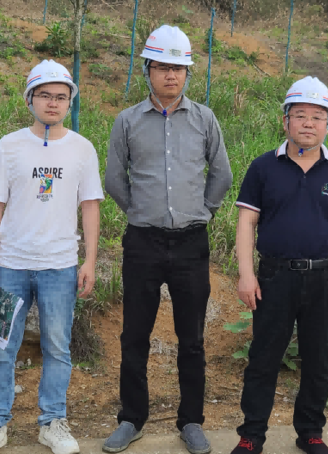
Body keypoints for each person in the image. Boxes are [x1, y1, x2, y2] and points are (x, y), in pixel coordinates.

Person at [103, 25, 232, 454]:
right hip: (143, 242)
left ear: (188, 73)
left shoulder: (204, 119)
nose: (171, 75)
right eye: (162, 67)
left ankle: (191, 421)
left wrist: (204, 213)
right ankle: (131, 419)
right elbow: (114, 179)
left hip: (192, 244)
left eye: (178, 68)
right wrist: (140, 213)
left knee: (191, 338)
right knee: (134, 335)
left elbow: (222, 174)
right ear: (147, 71)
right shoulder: (127, 121)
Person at [0, 60, 103, 454]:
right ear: (30, 99)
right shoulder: (9, 146)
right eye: (45, 95)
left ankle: (52, 422)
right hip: (10, 265)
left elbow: (90, 207)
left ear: (70, 102)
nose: (53, 103)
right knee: (1, 347)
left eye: (61, 96)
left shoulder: (82, 149)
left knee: (57, 347)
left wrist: (89, 260)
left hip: (59, 266)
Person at [229, 76, 328, 454]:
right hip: (275, 277)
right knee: (263, 358)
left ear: (327, 124)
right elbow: (246, 223)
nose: (309, 123)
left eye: (318, 117)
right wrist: (246, 275)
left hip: (325, 278)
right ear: (285, 120)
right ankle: (251, 435)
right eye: (300, 115)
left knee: (318, 359)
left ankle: (310, 432)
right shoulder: (263, 167)